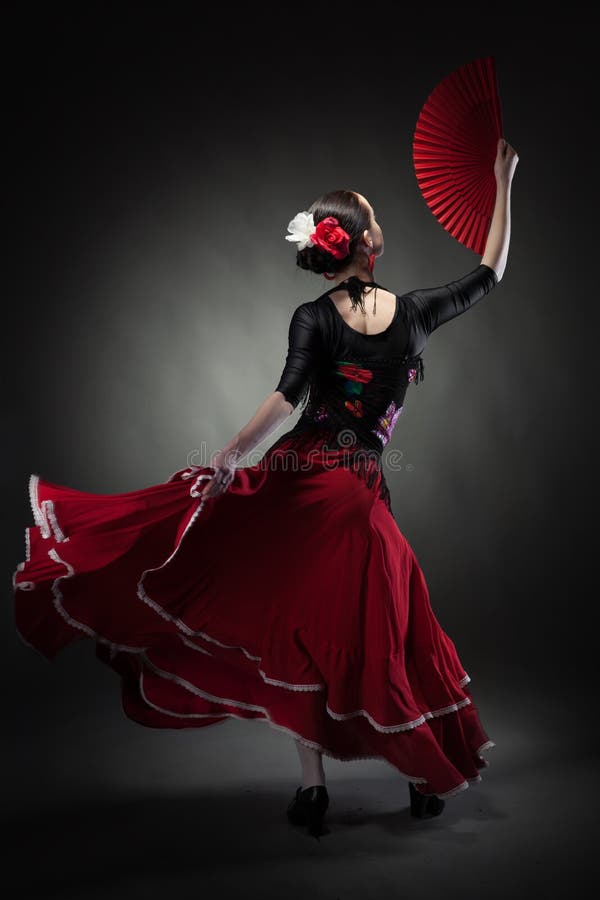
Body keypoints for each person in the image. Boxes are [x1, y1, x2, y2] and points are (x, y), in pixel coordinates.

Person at [12, 138, 518, 841]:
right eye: (373, 217)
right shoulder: (416, 313)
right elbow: (490, 270)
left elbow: (287, 401)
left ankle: (316, 789)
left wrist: (228, 457)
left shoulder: (314, 316)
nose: (378, 225)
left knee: (295, 623)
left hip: (299, 479)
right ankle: (415, 773)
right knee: (385, 628)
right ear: (368, 242)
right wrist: (504, 180)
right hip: (353, 487)